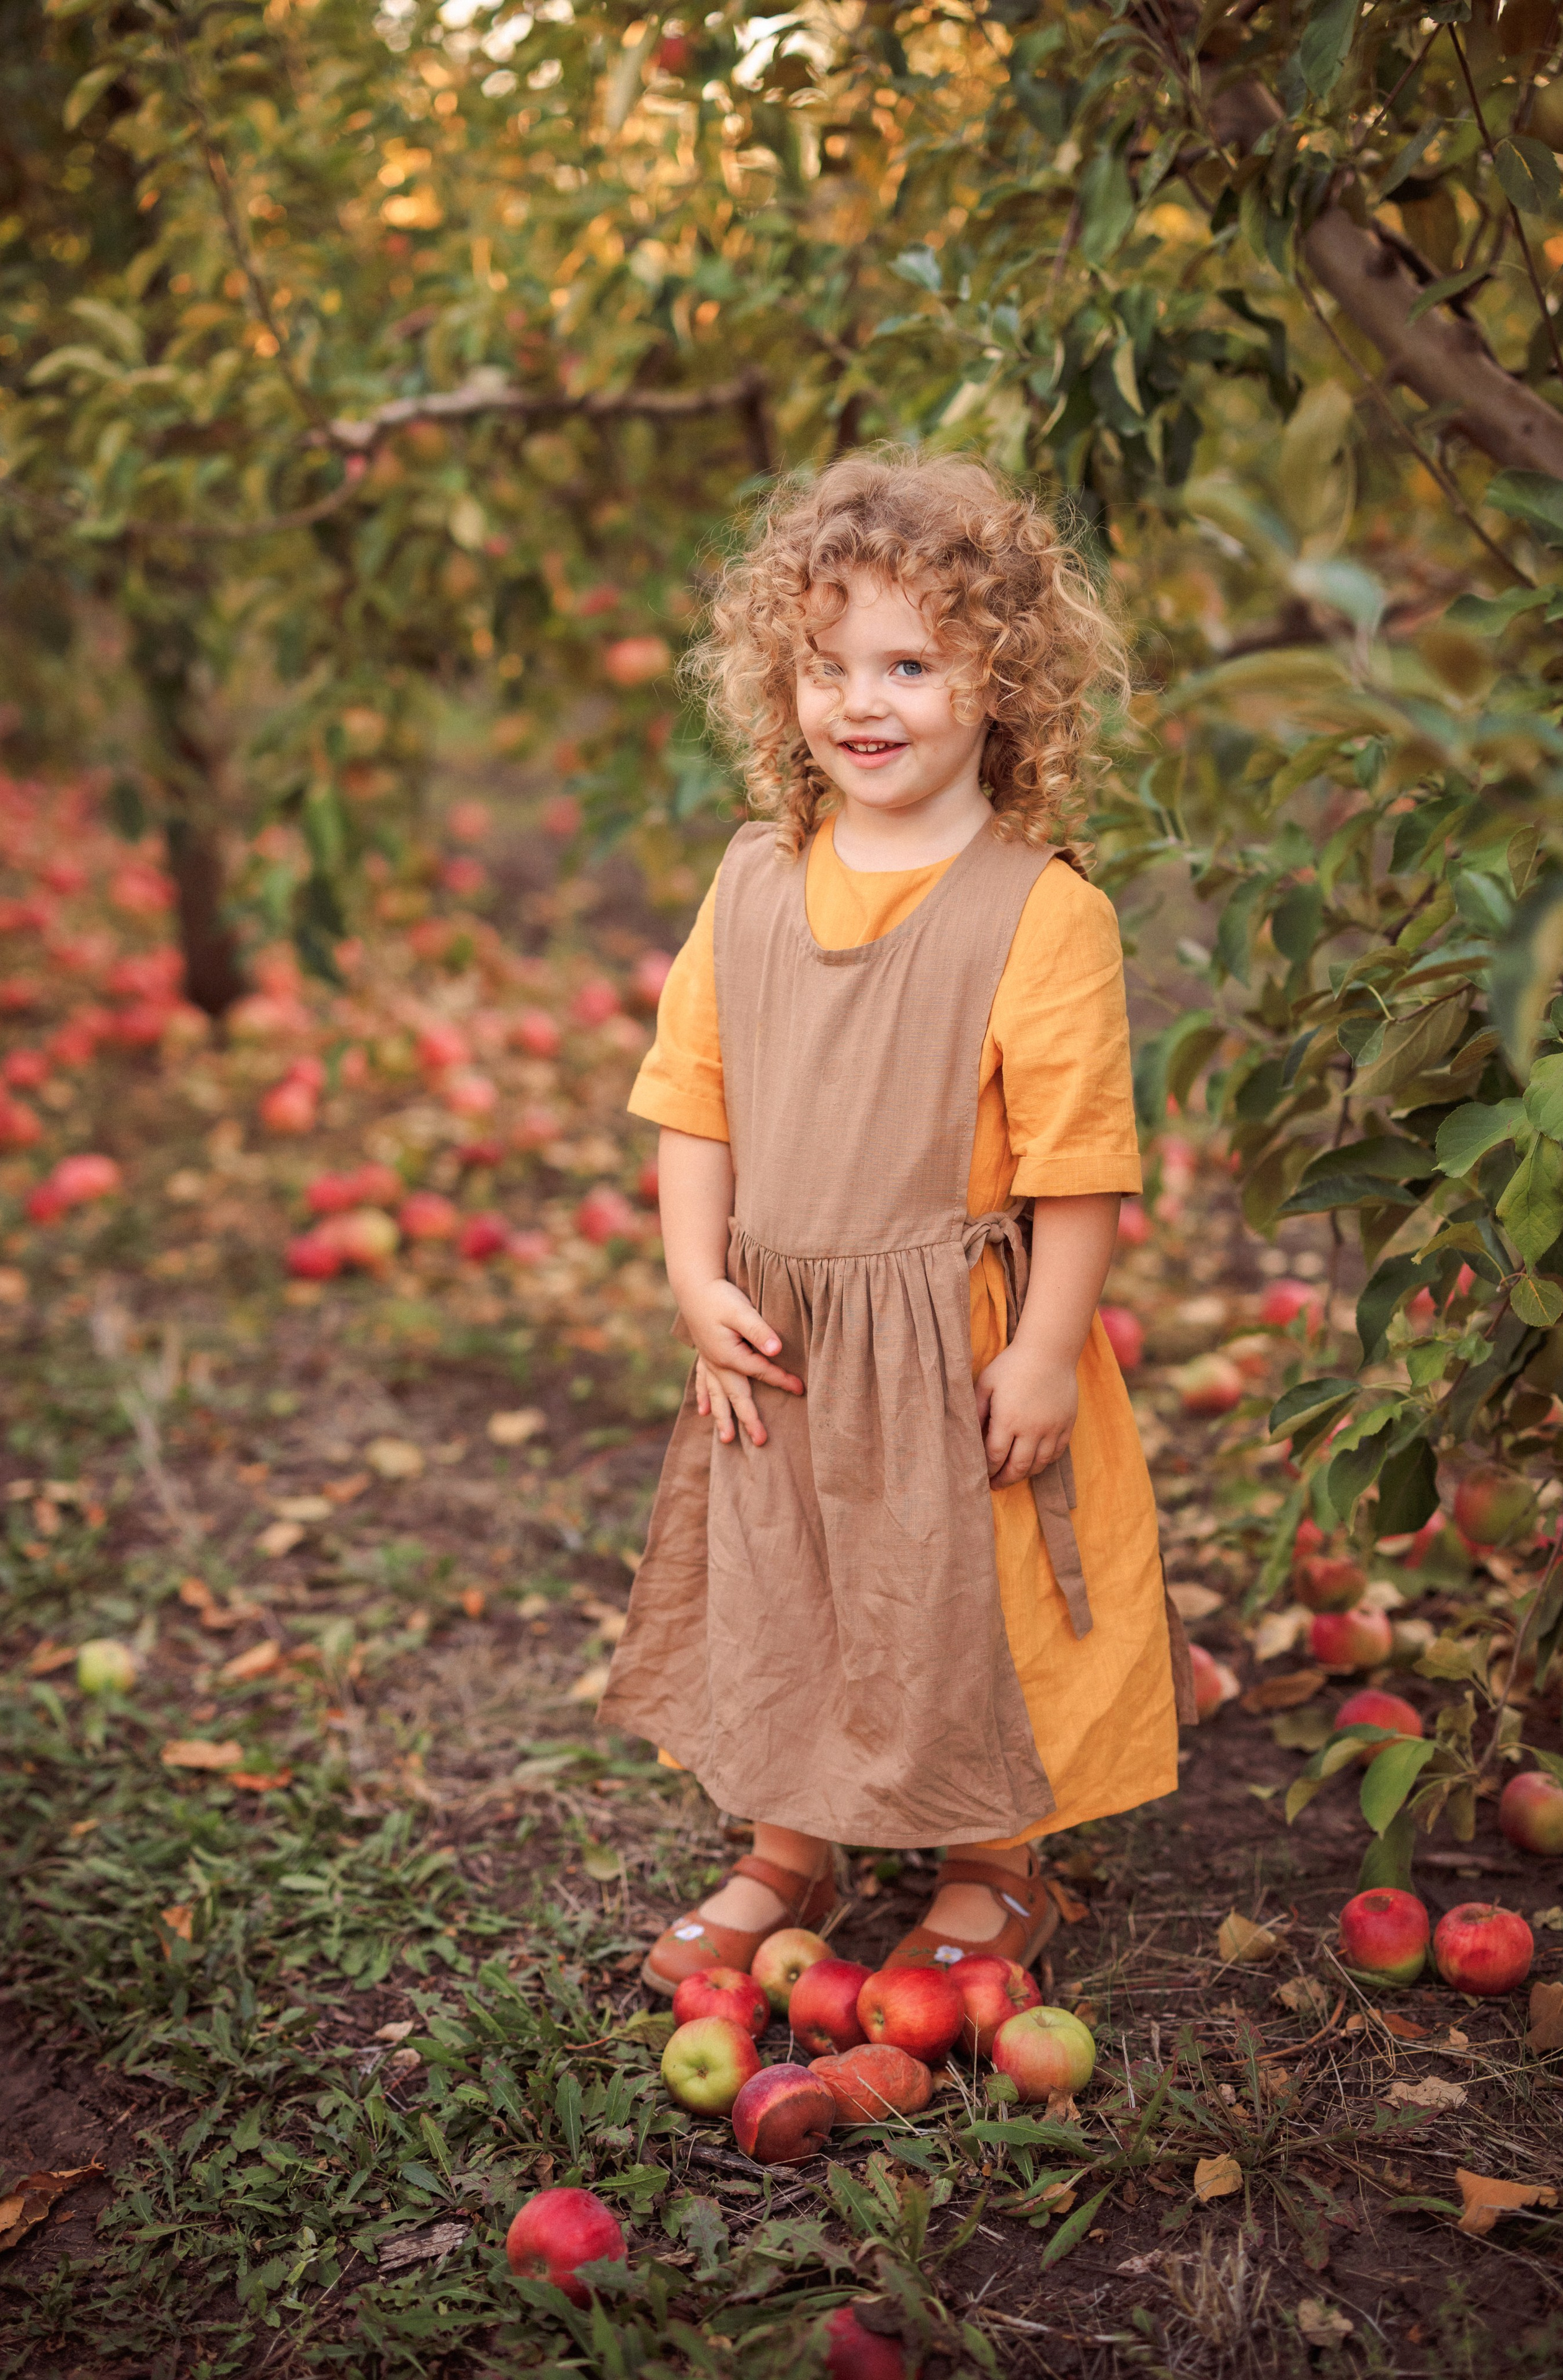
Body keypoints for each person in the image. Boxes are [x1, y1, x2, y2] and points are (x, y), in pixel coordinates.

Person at [599, 449, 1193, 1994]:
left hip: (958, 1340)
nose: (861, 701)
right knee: (792, 1577)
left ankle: (993, 1861)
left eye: (910, 664)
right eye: (825, 663)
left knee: (961, 1603)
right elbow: (694, 1098)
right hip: (785, 1336)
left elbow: (1077, 1163)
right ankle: (789, 1836)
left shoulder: (1037, 910)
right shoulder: (751, 883)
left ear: (999, 682)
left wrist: (1048, 1350)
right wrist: (689, 1274)